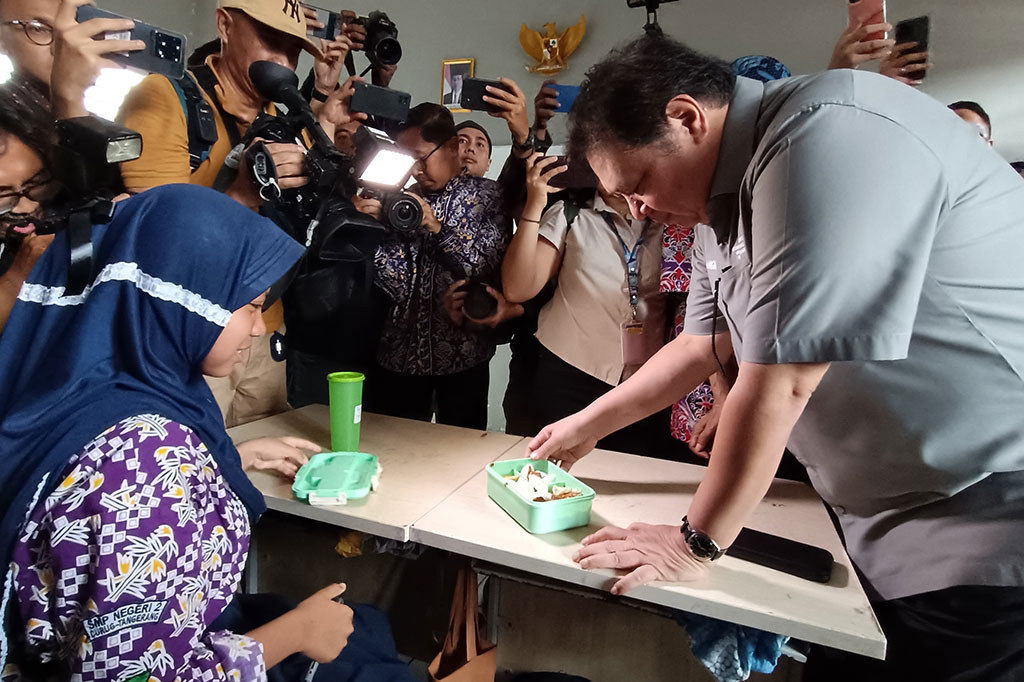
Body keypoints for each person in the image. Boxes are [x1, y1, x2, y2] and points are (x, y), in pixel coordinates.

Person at [527, 34, 1024, 681]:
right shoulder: (718, 212)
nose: (638, 208)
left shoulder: (825, 133)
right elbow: (699, 345)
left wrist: (693, 543)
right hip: (881, 518)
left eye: (640, 183)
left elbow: (782, 380)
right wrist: (583, 428)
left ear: (686, 118)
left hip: (981, 510)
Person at [0, 184, 361, 679]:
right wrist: (294, 634)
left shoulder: (89, 394)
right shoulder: (145, 463)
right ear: (183, 301)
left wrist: (227, 456)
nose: (258, 330)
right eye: (250, 307)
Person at [115, 0, 349, 428]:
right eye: (270, 40)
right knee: (193, 470)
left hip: (265, 327)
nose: (283, 60)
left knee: (266, 475)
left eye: (293, 48)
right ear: (225, 25)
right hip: (190, 335)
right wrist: (243, 193)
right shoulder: (165, 94)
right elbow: (157, 246)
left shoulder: (282, 118)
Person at [501, 152, 684, 458]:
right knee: (557, 471)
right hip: (568, 372)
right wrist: (535, 204)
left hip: (643, 382)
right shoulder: (571, 214)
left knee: (633, 479)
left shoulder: (672, 220)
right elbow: (518, 288)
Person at [365, 103, 514, 429]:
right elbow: (394, 285)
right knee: (395, 453)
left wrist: (436, 228)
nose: (416, 170)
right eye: (408, 161)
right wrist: (371, 228)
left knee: (461, 457)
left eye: (420, 157)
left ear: (451, 147)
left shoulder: (488, 196)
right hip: (399, 359)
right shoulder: (401, 201)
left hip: (463, 358)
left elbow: (483, 264)